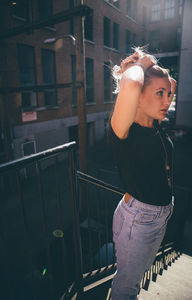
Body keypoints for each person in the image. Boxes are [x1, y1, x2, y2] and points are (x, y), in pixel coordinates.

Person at [108, 48, 176, 300]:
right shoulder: (123, 129)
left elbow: (172, 82)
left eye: (167, 95)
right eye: (160, 94)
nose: (167, 101)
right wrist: (140, 64)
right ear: (138, 96)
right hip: (139, 220)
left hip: (160, 214)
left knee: (136, 277)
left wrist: (153, 72)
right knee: (126, 285)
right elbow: (131, 84)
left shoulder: (155, 122)